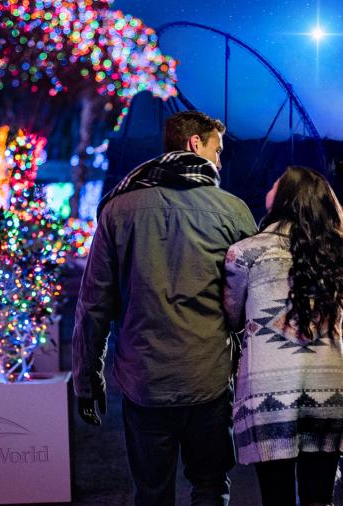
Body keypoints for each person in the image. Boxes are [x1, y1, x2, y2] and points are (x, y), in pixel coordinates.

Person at [73, 111, 257, 506]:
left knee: (151, 493)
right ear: (195, 145)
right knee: (210, 486)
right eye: (217, 149)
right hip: (207, 377)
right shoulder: (234, 211)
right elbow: (253, 296)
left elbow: (94, 304)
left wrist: (87, 380)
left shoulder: (118, 209)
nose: (220, 161)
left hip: (144, 381)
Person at [223, 166, 343, 506]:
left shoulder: (244, 253)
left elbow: (232, 316)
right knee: (319, 500)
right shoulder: (337, 254)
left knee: (276, 499)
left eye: (275, 183)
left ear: (285, 197)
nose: (269, 187)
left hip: (269, 396)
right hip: (329, 393)